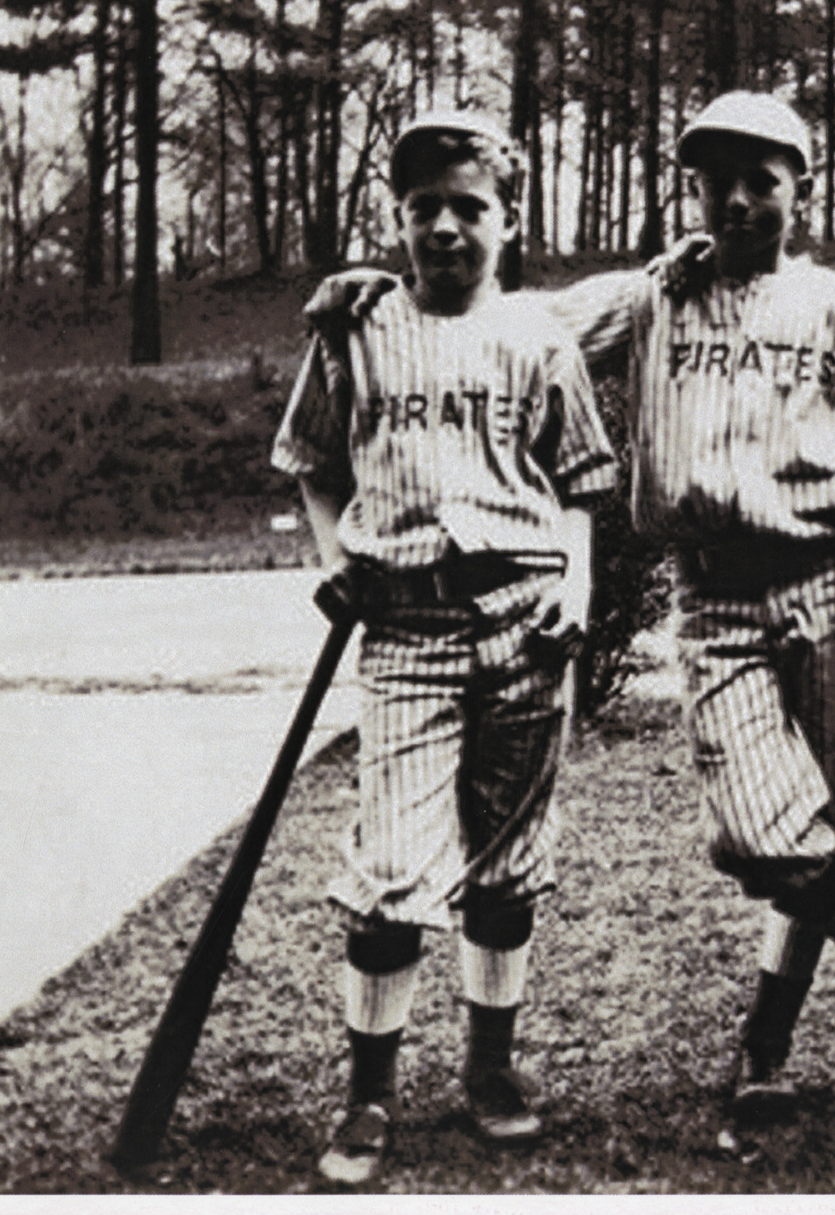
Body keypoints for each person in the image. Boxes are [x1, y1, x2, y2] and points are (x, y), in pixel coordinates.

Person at [308, 91, 835, 1127]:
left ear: (800, 190)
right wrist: (372, 291)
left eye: (763, 181)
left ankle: (769, 1045)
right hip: (713, 588)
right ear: (692, 190)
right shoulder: (652, 295)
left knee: (831, 833)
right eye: (718, 182)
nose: (739, 201)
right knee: (760, 833)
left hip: (829, 579)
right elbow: (494, 326)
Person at [272, 110, 618, 1185]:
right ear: (398, 218)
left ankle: (491, 1069)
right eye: (425, 207)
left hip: (523, 618)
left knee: (507, 863)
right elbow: (312, 460)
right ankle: (369, 1094)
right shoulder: (356, 327)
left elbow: (580, 483)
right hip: (406, 625)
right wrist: (335, 555)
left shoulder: (539, 336)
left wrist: (577, 586)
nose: (446, 228)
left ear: (506, 220)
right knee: (391, 871)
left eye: (469, 206)